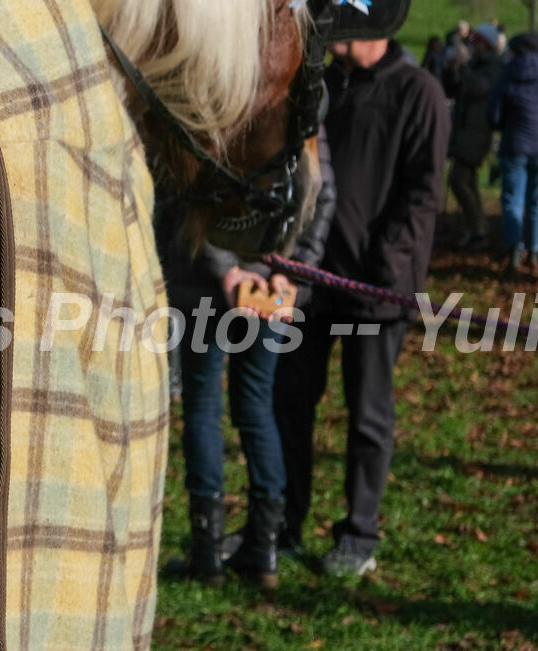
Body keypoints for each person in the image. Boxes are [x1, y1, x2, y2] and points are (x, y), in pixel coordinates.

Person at [272, 37, 448, 580]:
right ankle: (283, 522)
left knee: (368, 415)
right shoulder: (327, 85)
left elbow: (423, 192)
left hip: (376, 291)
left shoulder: (419, 91)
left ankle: (360, 532)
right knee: (291, 403)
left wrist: (385, 263)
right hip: (313, 284)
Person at [155, 142, 335, 589]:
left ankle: (215, 551)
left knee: (207, 406)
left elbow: (194, 187)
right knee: (251, 407)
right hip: (247, 285)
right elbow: (321, 193)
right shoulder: (295, 92)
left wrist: (268, 272)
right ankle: (257, 551)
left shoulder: (223, 86)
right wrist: (286, 270)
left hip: (223, 284)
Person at [490, 31, 538, 271]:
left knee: (513, 200)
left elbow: (493, 114)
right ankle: (534, 252)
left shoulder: (507, 75)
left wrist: (504, 125)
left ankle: (516, 249)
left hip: (514, 146)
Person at [449, 24, 504, 249]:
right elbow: (456, 89)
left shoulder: (494, 67)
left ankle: (479, 228)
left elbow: (480, 88)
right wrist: (452, 69)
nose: (473, 47)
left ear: (487, 45)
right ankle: (477, 226)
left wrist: (464, 70)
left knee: (458, 180)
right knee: (467, 179)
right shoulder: (477, 65)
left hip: (477, 132)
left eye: (477, 43)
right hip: (466, 131)